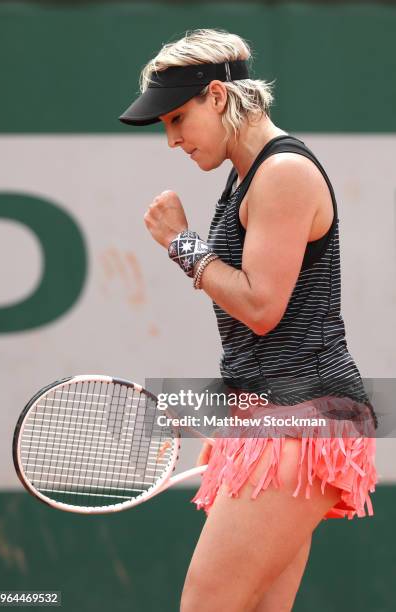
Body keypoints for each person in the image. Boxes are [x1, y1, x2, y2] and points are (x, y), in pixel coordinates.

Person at [119, 28, 378, 612]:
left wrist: (182, 245)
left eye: (178, 118)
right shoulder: (246, 173)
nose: (172, 139)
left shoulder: (282, 173)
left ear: (216, 96)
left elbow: (262, 309)